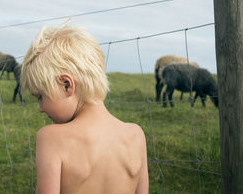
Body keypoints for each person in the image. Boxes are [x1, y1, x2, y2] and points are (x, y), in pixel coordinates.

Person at [21, 25, 148, 194]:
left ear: (67, 85)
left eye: (40, 97)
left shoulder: (51, 138)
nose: (41, 108)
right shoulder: (136, 135)